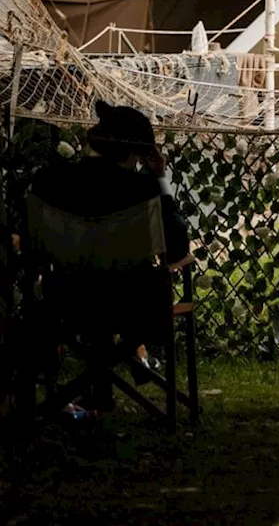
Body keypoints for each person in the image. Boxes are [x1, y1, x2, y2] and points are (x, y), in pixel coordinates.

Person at [27, 102, 190, 413]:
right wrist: (160, 179)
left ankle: (94, 394)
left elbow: (33, 245)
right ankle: (128, 367)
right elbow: (178, 248)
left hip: (65, 301)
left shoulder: (49, 181)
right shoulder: (142, 189)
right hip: (134, 306)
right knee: (116, 280)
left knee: (94, 277)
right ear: (137, 153)